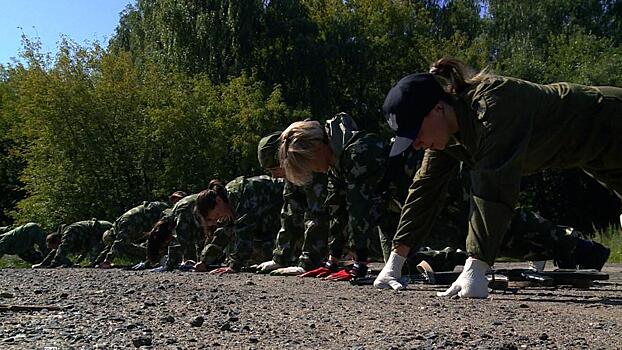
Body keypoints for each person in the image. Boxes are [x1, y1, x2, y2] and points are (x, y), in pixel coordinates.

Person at [374, 58, 618, 298]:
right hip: (593, 153)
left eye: (416, 132)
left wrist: (476, 267)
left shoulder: (492, 107)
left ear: (438, 108)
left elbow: (493, 187)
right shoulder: (447, 135)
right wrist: (394, 263)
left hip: (611, 119)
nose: (416, 144)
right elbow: (425, 190)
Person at [253, 131, 329, 275]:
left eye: (276, 168)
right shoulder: (291, 176)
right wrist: (279, 259)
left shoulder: (312, 170)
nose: (274, 175)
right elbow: (289, 215)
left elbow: (318, 216)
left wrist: (306, 264)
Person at [194, 176, 284, 273]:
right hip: (276, 213)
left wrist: (234, 266)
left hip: (294, 200)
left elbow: (245, 233)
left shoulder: (241, 196)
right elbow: (222, 234)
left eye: (217, 215)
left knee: (259, 247)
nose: (217, 220)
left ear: (218, 201)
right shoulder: (226, 202)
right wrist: (204, 261)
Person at [97, 200, 171, 269]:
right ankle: (159, 258)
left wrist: (107, 261)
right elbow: (111, 247)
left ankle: (163, 258)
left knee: (125, 246)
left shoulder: (126, 222)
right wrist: (97, 261)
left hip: (159, 217)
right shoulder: (118, 227)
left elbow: (119, 242)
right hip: (155, 219)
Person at [33, 219, 113, 268]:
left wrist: (53, 264)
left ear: (57, 240)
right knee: (94, 259)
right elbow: (84, 250)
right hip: (97, 230)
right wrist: (44, 263)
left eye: (55, 247)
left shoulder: (68, 234)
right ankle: (102, 262)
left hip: (103, 227)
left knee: (96, 257)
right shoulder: (65, 237)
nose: (55, 249)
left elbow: (62, 249)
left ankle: (104, 263)